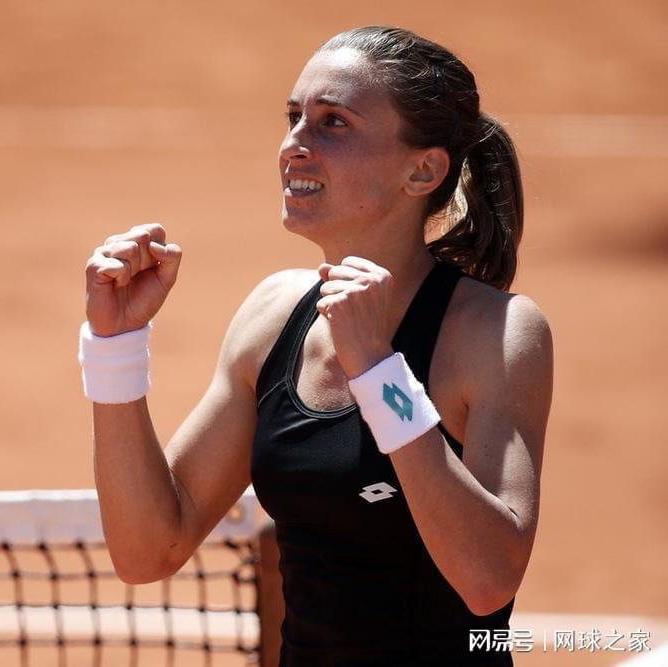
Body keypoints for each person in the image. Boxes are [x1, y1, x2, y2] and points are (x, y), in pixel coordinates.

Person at [78, 26, 553, 666]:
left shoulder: (498, 333)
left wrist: (378, 370)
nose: (294, 145)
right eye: (293, 117)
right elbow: (148, 550)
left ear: (422, 170)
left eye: (334, 123)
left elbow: (488, 579)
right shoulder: (273, 315)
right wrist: (115, 346)